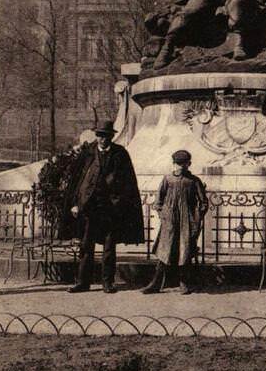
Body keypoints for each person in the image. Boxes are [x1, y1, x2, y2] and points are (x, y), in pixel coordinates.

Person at [63, 120, 144, 293]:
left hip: (110, 210)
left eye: (106, 136)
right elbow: (77, 180)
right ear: (96, 136)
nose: (103, 139)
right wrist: (75, 203)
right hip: (89, 208)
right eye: (100, 135)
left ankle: (107, 282)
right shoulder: (88, 153)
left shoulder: (120, 154)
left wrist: (119, 204)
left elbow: (128, 182)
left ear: (112, 137)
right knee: (86, 246)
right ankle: (83, 283)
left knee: (109, 248)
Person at [142, 150, 208, 295]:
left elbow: (203, 203)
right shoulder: (168, 179)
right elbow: (158, 201)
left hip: (187, 222)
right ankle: (156, 284)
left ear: (189, 164)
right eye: (178, 164)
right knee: (165, 251)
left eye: (184, 164)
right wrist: (163, 215)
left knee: (185, 251)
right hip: (170, 221)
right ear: (174, 164)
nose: (180, 167)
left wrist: (196, 219)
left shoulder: (193, 181)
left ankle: (184, 283)